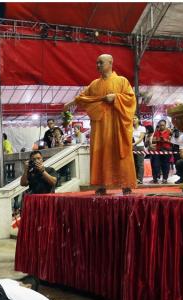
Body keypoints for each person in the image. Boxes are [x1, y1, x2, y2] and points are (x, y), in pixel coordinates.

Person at [65, 54, 137, 195]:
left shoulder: (122, 81)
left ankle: (126, 184)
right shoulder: (94, 84)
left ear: (110, 63)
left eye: (101, 63)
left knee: (120, 152)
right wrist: (70, 103)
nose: (98, 65)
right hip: (100, 126)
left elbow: (131, 99)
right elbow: (84, 97)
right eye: (97, 63)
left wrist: (116, 97)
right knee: (100, 154)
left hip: (117, 125)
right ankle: (101, 185)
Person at [149, 120, 172, 184]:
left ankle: (165, 179)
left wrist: (165, 140)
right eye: (160, 125)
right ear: (158, 125)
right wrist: (158, 140)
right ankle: (155, 179)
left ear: (165, 125)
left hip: (167, 150)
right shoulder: (156, 132)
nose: (161, 126)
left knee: (166, 165)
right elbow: (153, 141)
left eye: (163, 125)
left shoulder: (169, 132)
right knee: (155, 164)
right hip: (158, 150)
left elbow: (172, 142)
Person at [132, 116, 147, 184]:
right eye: (132, 118)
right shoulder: (130, 128)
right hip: (132, 147)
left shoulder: (142, 128)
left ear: (138, 120)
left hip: (139, 146)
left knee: (140, 164)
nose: (134, 119)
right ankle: (134, 178)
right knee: (134, 163)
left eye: (135, 118)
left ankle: (140, 179)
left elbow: (141, 138)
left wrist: (134, 143)